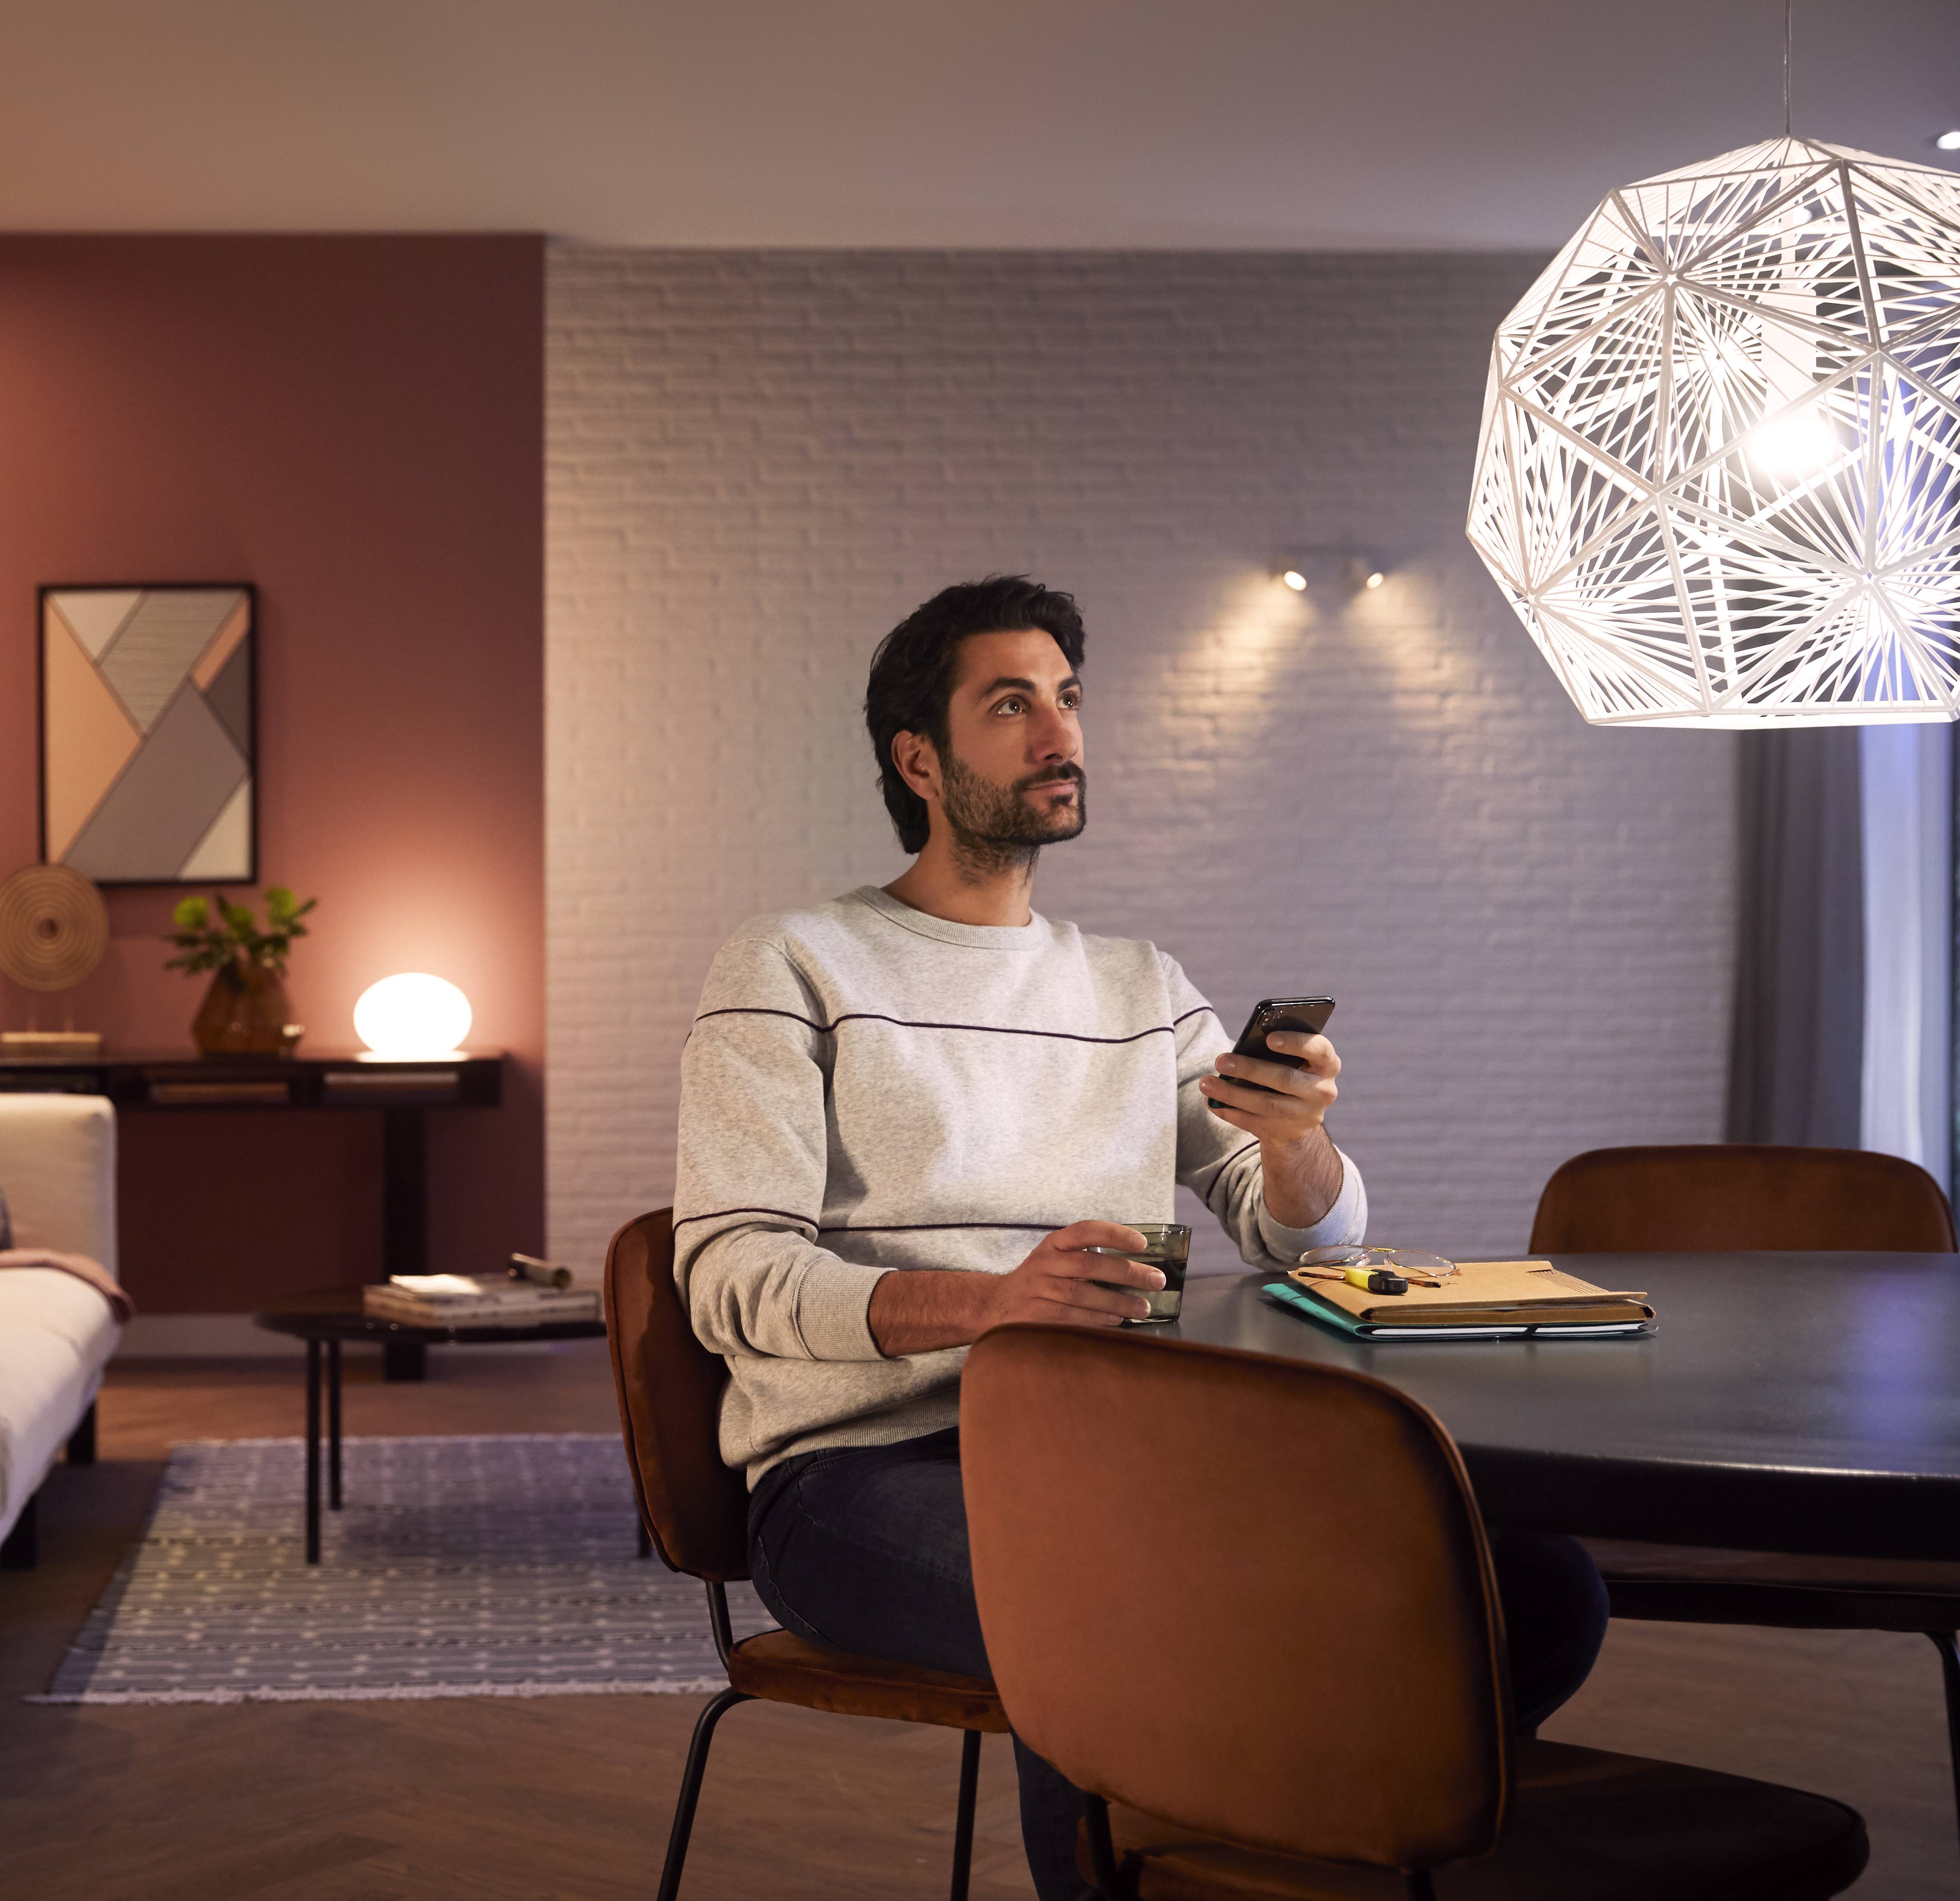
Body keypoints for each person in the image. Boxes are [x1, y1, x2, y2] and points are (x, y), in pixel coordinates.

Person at [672, 575, 1607, 1900]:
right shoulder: (792, 960)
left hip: (1124, 1446)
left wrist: (1297, 1139)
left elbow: (1299, 1241)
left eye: (1068, 698)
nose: (1061, 733)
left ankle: (1306, 1862)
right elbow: (730, 1274)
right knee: (1120, 1608)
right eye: (1013, 705)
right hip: (859, 1473)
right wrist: (988, 1304)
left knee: (1529, 1585)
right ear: (920, 761)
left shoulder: (1138, 984)